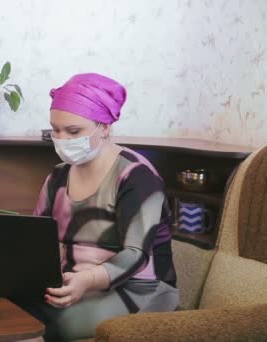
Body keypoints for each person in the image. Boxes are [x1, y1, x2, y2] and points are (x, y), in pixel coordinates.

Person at [19, 73, 178, 341]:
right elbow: (37, 235)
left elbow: (135, 253)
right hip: (74, 282)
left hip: (141, 288)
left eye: (73, 131)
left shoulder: (136, 177)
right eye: (55, 130)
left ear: (104, 127)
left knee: (61, 324)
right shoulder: (58, 177)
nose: (62, 139)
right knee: (9, 310)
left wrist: (87, 280)